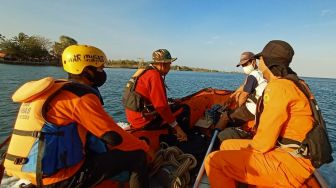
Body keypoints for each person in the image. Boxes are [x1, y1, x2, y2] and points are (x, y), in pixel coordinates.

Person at [4, 45, 149, 188]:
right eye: (100, 68)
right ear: (87, 72)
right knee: (139, 157)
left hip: (28, 170)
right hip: (59, 177)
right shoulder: (79, 96)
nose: (103, 72)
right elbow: (113, 137)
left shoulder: (49, 91)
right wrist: (144, 148)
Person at [205, 40, 317, 187]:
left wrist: (243, 154)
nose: (259, 62)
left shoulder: (278, 88)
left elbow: (263, 144)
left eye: (260, 58)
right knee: (227, 145)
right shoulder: (295, 83)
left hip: (290, 163)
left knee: (213, 161)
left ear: (268, 62)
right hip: (293, 153)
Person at [123, 49, 187, 141]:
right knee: (184, 109)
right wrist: (178, 129)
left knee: (172, 106)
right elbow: (162, 107)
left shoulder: (144, 72)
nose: (170, 67)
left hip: (134, 118)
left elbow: (149, 96)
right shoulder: (154, 76)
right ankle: (180, 138)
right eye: (169, 64)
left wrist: (169, 100)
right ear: (162, 64)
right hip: (144, 122)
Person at [215, 51, 267, 142]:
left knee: (225, 116)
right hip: (260, 108)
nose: (244, 67)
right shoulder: (260, 73)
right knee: (233, 111)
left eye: (246, 64)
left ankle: (213, 139)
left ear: (253, 62)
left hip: (252, 109)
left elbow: (244, 95)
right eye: (242, 65)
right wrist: (232, 96)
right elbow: (244, 86)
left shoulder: (253, 75)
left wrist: (237, 109)